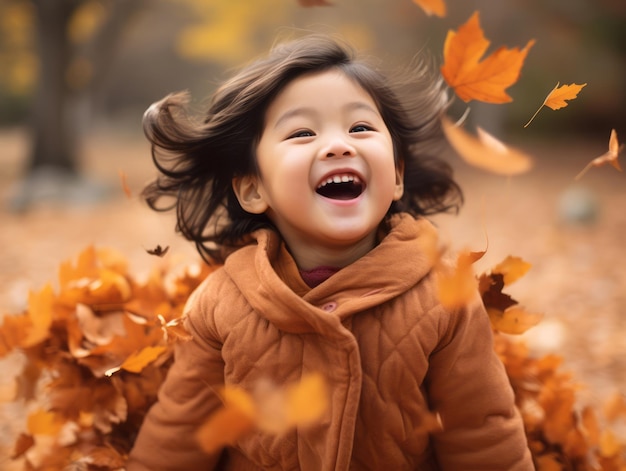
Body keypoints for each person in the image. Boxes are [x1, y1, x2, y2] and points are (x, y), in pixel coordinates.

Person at [126, 34, 534, 470]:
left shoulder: (444, 297)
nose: (340, 145)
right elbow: (178, 436)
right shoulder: (221, 304)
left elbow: (483, 433)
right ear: (252, 188)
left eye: (360, 127)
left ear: (396, 175)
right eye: (302, 133)